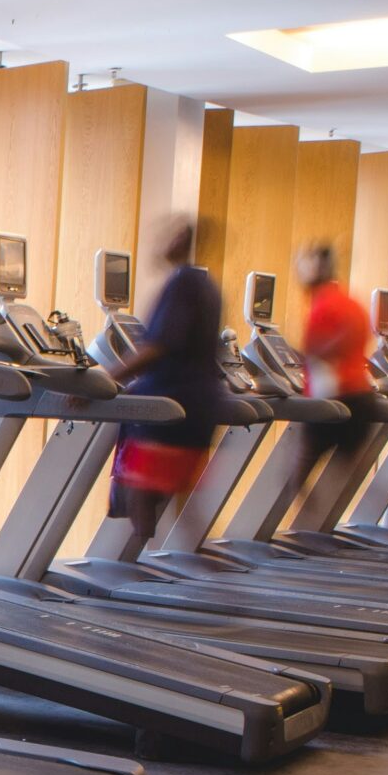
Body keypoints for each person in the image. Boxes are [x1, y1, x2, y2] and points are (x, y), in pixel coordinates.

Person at [104, 215, 229, 555]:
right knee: (181, 505)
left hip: (170, 408)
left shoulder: (183, 284)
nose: (157, 243)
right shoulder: (207, 287)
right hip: (197, 407)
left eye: (167, 236)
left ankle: (144, 571)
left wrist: (107, 378)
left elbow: (158, 346)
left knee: (139, 496)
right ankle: (199, 576)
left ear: (181, 242)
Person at [291, 239, 377, 492]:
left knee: (294, 479)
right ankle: (312, 522)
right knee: (337, 484)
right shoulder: (353, 303)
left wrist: (301, 355)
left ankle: (302, 517)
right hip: (362, 400)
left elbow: (317, 352)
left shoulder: (323, 305)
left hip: (336, 399)